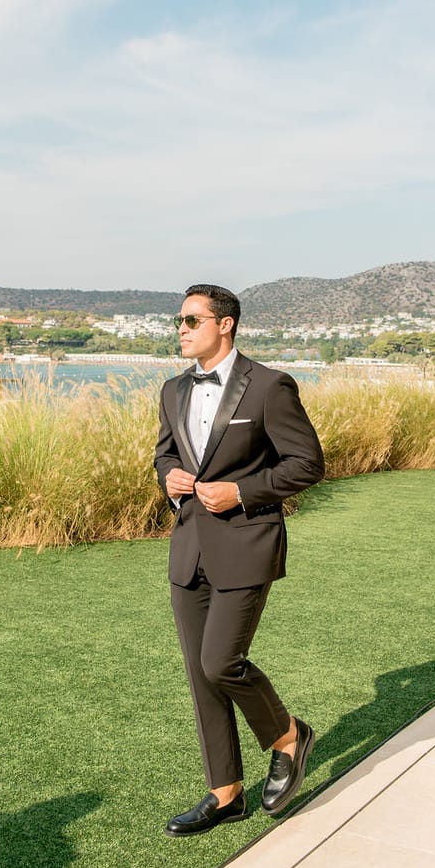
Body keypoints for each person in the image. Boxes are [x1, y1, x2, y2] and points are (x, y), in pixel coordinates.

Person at [154, 283, 325, 837]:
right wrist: (170, 480)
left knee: (221, 663)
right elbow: (166, 453)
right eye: (178, 321)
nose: (180, 328)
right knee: (200, 676)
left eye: (190, 319)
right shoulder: (172, 390)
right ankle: (225, 793)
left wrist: (242, 492)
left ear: (224, 324)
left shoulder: (270, 386)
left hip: (247, 543)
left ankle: (288, 736)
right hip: (190, 549)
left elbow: (306, 464)